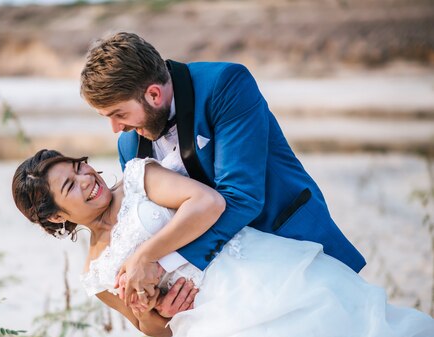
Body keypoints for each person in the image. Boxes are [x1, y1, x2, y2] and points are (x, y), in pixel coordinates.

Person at [12, 149, 434, 337]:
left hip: (256, 278)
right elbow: (148, 327)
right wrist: (158, 309)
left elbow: (208, 203)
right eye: (70, 184)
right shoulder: (96, 273)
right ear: (56, 217)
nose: (87, 178)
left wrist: (145, 257)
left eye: (79, 166)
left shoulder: (139, 178)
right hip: (205, 328)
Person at [79, 32, 366, 308]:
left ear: (154, 94)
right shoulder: (129, 146)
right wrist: (164, 297)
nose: (117, 128)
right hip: (221, 290)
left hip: (289, 244)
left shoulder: (225, 85)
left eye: (119, 114)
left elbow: (242, 197)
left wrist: (157, 261)